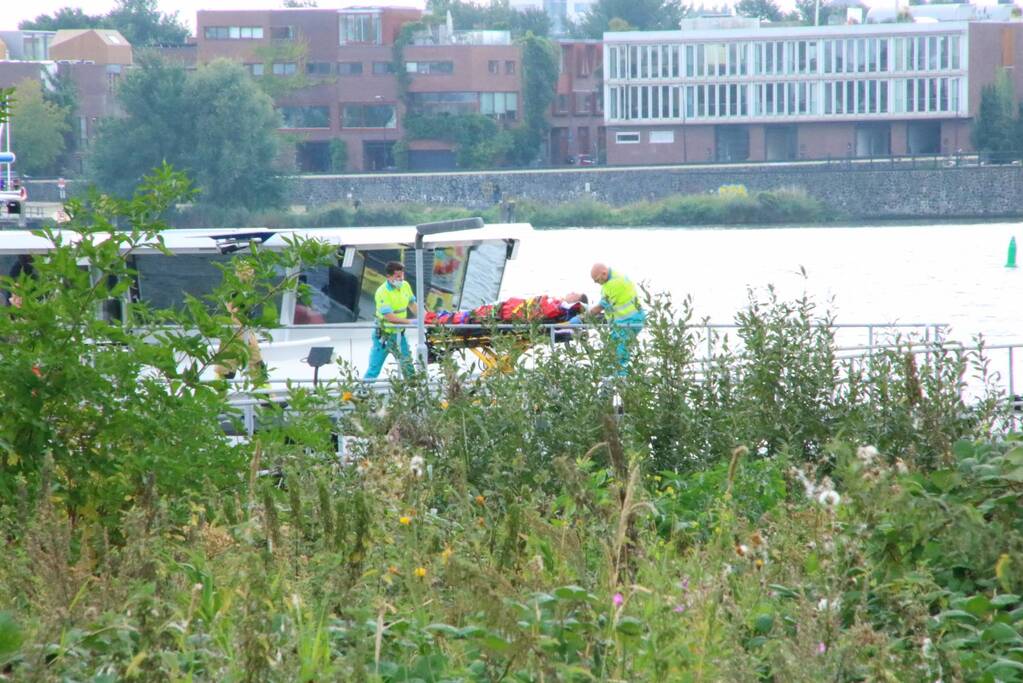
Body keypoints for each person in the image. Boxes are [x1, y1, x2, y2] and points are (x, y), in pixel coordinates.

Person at [214, 262, 268, 386]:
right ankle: (216, 398)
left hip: (244, 329)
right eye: (248, 273)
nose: (251, 276)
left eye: (251, 273)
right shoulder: (236, 291)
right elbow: (233, 308)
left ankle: (267, 397)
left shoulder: (243, 291)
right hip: (237, 329)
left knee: (255, 364)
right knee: (227, 368)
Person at [363, 261, 417, 381]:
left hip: (399, 334)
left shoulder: (405, 285)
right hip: (384, 336)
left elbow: (412, 304)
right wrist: (412, 322)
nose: (401, 279)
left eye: (402, 275)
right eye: (398, 276)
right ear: (388, 276)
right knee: (374, 368)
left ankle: (415, 392)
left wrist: (426, 318)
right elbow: (390, 318)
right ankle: (361, 395)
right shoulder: (382, 292)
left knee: (408, 366)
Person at [588, 263, 645, 374]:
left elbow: (601, 306)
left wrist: (584, 316)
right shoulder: (616, 276)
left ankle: (621, 382)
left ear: (604, 273)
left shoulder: (613, 284)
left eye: (597, 280)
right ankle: (615, 378)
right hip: (629, 321)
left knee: (619, 354)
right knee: (614, 350)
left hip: (628, 322)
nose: (597, 283)